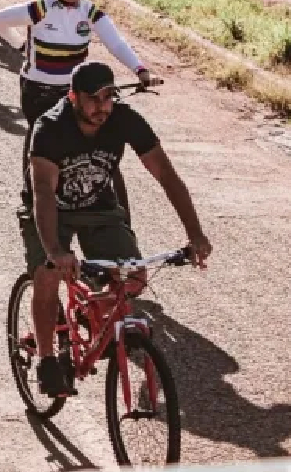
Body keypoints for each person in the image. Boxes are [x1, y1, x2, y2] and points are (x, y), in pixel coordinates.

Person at [23, 60, 212, 397]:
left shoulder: (124, 119)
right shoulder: (50, 127)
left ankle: (89, 310)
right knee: (48, 273)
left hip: (98, 206)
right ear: (73, 97)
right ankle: (49, 359)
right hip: (52, 209)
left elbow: (167, 177)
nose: (102, 107)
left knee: (134, 277)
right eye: (93, 99)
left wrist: (195, 234)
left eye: (109, 97)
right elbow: (43, 193)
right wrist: (55, 251)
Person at [0, 0, 153, 212]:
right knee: (39, 138)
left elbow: (116, 43)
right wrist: (21, 45)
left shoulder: (89, 11)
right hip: (37, 89)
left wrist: (140, 70)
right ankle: (29, 197)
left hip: (72, 91)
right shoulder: (40, 8)